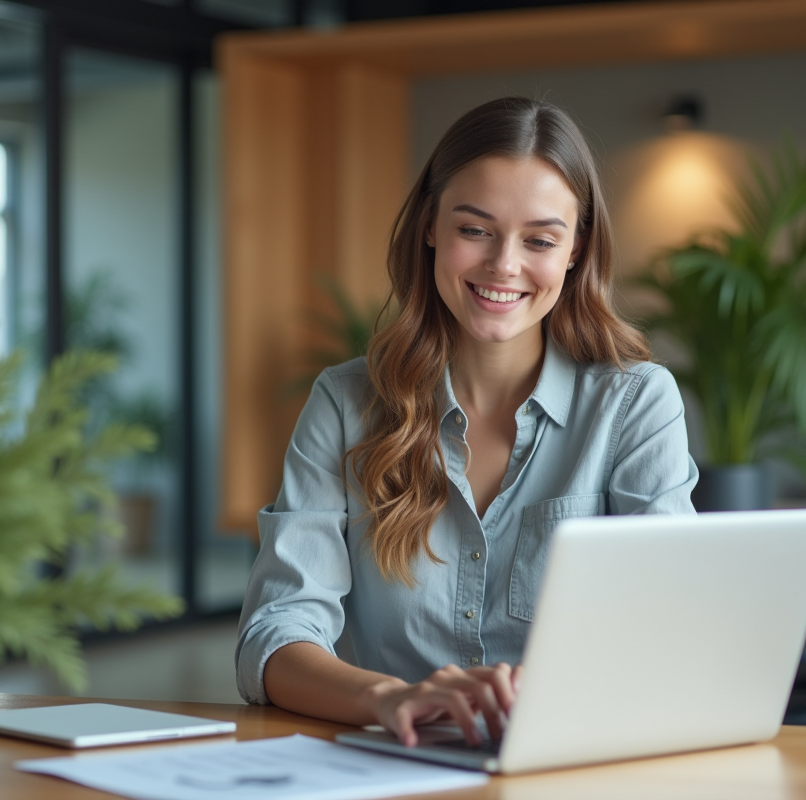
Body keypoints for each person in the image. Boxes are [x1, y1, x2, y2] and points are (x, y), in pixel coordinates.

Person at [236, 96, 697, 748]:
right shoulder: (345, 404)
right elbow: (275, 635)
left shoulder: (635, 405)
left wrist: (542, 701)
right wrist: (395, 698)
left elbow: (669, 627)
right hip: (391, 767)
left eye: (540, 239)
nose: (503, 265)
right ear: (429, 225)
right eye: (474, 230)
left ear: (574, 251)